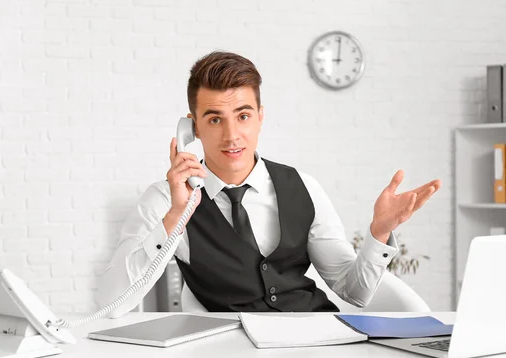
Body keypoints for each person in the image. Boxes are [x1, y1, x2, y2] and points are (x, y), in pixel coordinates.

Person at [96, 51, 441, 317]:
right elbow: (111, 304)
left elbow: (354, 293)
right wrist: (175, 216)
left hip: (316, 345)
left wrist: (378, 233)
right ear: (193, 128)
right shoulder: (166, 199)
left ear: (260, 116)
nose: (232, 135)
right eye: (215, 119)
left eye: (243, 116)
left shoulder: (302, 186)